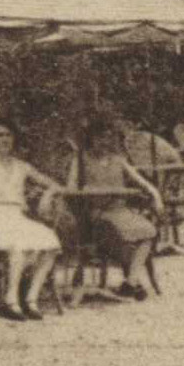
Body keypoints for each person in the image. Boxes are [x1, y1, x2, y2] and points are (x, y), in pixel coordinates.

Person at [0, 118, 62, 321]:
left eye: (8, 135)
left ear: (14, 138)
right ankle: (11, 301)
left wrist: (47, 195)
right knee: (19, 246)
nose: (4, 139)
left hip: (17, 216)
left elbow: (53, 184)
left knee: (51, 243)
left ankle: (31, 300)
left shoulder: (22, 166)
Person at [69, 115, 164, 300]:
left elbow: (143, 182)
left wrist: (156, 195)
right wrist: (88, 190)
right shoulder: (80, 160)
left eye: (107, 138)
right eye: (99, 137)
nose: (104, 142)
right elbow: (70, 187)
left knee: (150, 232)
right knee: (122, 234)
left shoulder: (118, 160)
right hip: (98, 214)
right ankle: (133, 282)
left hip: (121, 211)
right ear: (92, 138)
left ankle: (131, 282)